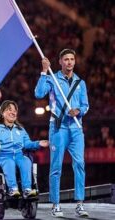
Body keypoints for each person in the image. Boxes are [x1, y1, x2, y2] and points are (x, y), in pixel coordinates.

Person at [35, 48, 89, 217]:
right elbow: (38, 93)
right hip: (58, 128)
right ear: (60, 62)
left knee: (79, 164)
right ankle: (56, 204)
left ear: (75, 61)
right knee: (56, 167)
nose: (69, 62)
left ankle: (80, 204)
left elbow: (86, 105)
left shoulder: (80, 83)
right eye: (66, 59)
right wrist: (44, 71)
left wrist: (79, 111)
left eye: (72, 59)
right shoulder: (52, 79)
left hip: (76, 129)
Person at [0, 100, 49, 198]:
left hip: (18, 155)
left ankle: (27, 190)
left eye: (15, 110)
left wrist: (38, 143)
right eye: (9, 110)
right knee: (9, 162)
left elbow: (27, 144)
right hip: (2, 156)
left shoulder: (20, 129)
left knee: (26, 160)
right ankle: (13, 189)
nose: (13, 112)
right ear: (2, 113)